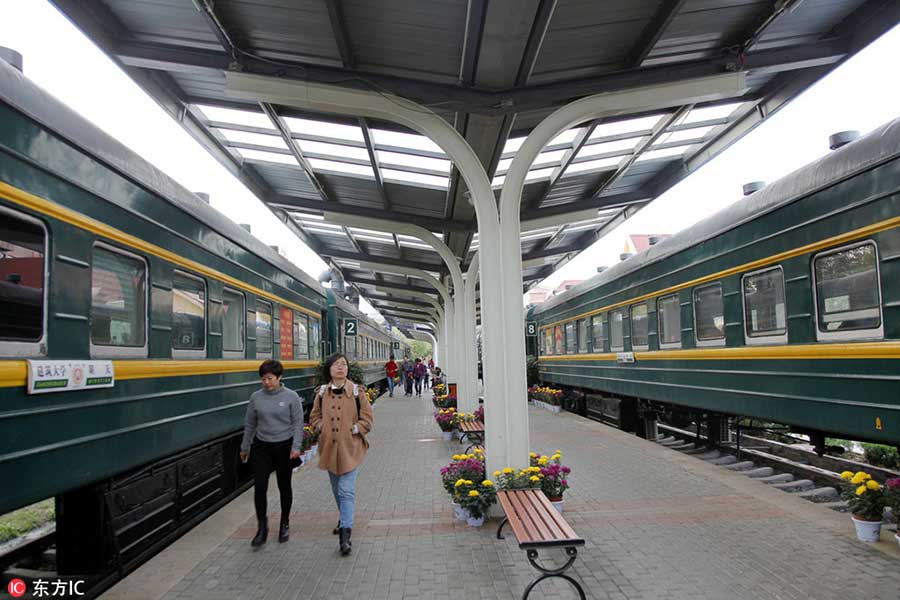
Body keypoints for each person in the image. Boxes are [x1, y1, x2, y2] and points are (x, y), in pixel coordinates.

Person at [309, 353, 374, 556]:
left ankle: (345, 536)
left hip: (350, 448)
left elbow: (368, 419)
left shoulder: (356, 392)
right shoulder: (321, 393)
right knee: (337, 490)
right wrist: (321, 426)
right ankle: (343, 517)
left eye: (343, 364)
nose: (340, 368)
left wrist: (356, 429)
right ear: (329, 369)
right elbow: (314, 417)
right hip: (329, 448)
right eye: (336, 365)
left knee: (346, 490)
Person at [240, 359, 303, 546]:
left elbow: (298, 424)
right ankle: (262, 527)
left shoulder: (291, 397)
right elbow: (250, 423)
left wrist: (296, 447)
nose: (266, 382)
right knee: (260, 487)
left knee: (284, 486)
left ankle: (285, 523)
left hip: (284, 447)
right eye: (263, 379)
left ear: (279, 377)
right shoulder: (256, 397)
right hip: (262, 447)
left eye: (269, 378)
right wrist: (245, 447)